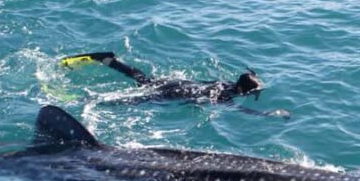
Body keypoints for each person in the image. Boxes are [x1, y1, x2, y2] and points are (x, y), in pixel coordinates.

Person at [59, 52, 291, 118]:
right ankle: (88, 102)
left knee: (144, 80)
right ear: (246, 91)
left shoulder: (225, 83)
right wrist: (265, 114)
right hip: (179, 93)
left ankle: (110, 60)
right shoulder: (226, 96)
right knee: (136, 98)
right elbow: (238, 109)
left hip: (180, 83)